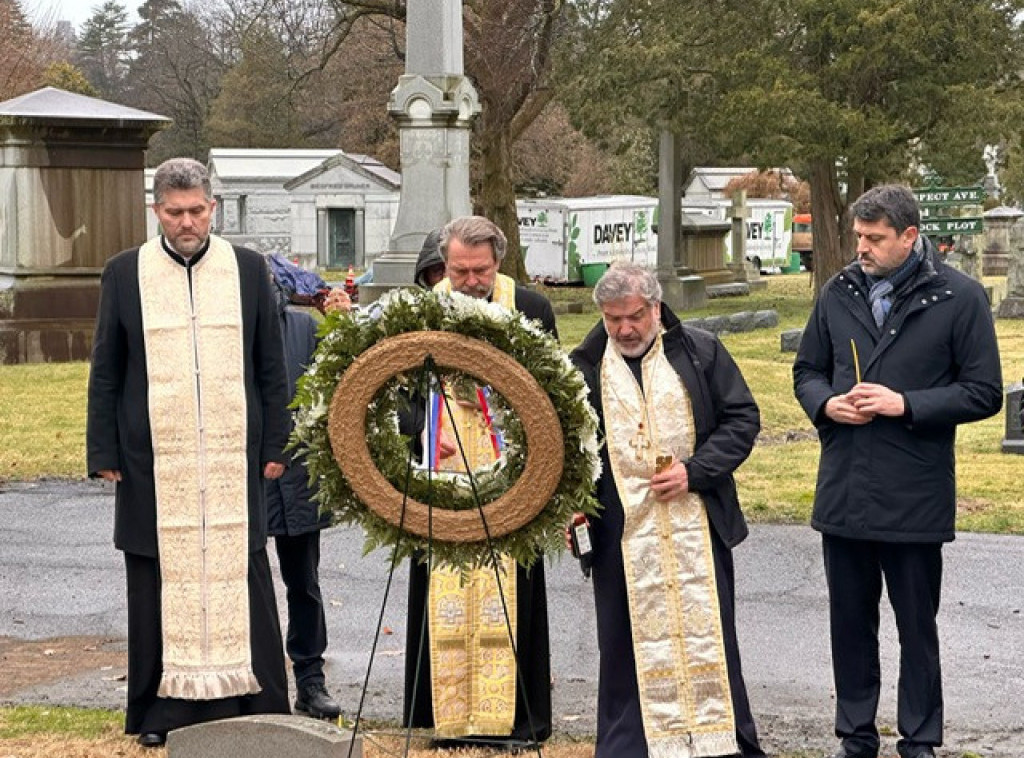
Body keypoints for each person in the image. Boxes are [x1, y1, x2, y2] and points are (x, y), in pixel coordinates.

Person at [87, 157, 291, 748]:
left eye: (197, 211)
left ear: (212, 208)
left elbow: (271, 364)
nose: (187, 223)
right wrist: (103, 447)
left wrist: (277, 440)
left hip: (232, 457)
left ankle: (256, 703)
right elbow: (107, 367)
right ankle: (161, 713)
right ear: (156, 211)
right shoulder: (125, 273)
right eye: (175, 212)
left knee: (243, 571)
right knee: (156, 577)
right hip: (153, 460)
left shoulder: (247, 269)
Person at [793, 184, 1003, 758]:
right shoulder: (837, 292)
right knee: (849, 624)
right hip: (845, 489)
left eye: (874, 238)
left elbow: (984, 392)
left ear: (910, 236)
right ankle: (855, 735)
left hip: (915, 492)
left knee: (917, 626)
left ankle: (920, 738)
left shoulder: (959, 297)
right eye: (858, 236)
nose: (861, 247)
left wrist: (904, 403)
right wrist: (826, 404)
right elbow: (807, 370)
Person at [569, 262, 766, 758]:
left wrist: (694, 472)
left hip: (696, 522)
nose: (624, 329)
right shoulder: (583, 368)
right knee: (624, 642)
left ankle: (719, 739)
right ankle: (630, 744)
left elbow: (742, 419)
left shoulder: (700, 351)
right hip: (619, 532)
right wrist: (572, 508)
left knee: (708, 633)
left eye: (634, 316)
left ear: (655, 308)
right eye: (613, 319)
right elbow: (563, 448)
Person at [403, 216, 556, 749]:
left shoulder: (531, 308)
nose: (469, 281)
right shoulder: (421, 310)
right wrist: (423, 434)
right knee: (442, 587)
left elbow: (551, 394)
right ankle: (444, 716)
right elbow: (400, 392)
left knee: (513, 588)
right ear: (444, 264)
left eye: (480, 271)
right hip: (442, 469)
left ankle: (517, 720)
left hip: (510, 473)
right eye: (459, 270)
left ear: (499, 262)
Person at [265, 271, 348, 720]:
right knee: (242, 584)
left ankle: (310, 680)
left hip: (296, 478)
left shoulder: (303, 328)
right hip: (245, 476)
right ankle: (252, 683)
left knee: (303, 583)